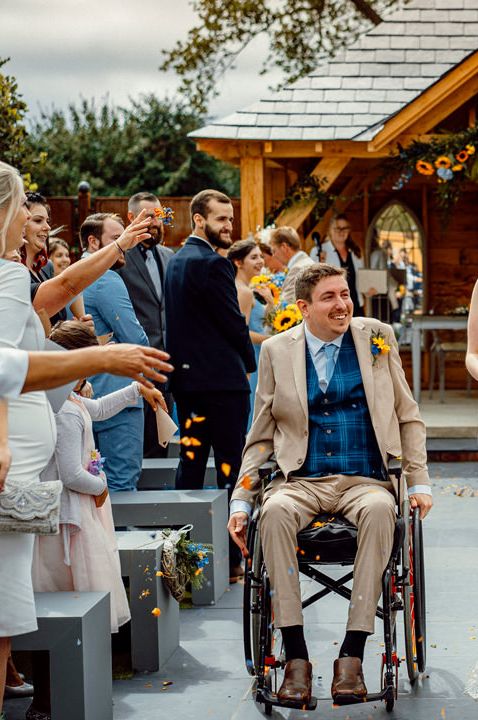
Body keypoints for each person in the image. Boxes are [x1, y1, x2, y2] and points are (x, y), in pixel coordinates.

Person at [0, 160, 172, 717]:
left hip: (27, 463)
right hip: (16, 466)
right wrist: (101, 356)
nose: (30, 215)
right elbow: (3, 366)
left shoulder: (13, 274)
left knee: (10, 604)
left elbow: (59, 290)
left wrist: (118, 243)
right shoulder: (3, 277)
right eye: (25, 204)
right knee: (5, 606)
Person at [228, 263, 432, 706]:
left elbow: (407, 414)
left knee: (382, 511)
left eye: (344, 294)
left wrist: (418, 481)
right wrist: (241, 501)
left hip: (365, 478)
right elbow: (259, 435)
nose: (342, 305)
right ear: (303, 307)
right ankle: (296, 657)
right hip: (301, 479)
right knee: (275, 512)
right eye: (329, 298)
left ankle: (352, 654)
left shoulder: (376, 337)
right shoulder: (278, 351)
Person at [29, 320, 167, 719]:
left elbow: (100, 408)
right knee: (66, 598)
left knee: (67, 600)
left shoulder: (65, 400)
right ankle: (48, 697)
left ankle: (59, 691)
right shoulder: (64, 413)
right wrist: (101, 486)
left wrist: (137, 390)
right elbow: (72, 472)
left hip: (74, 515)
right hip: (70, 520)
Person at [164, 189, 256, 581]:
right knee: (231, 471)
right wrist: (249, 366)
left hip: (187, 384)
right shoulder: (214, 266)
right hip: (221, 384)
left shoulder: (176, 262)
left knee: (189, 468)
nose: (229, 226)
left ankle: (178, 564)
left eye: (231, 219)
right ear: (199, 220)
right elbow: (234, 323)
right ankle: (234, 563)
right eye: (221, 219)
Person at [80, 213, 149, 492]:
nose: (125, 245)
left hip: (86, 391)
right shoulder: (105, 277)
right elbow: (135, 337)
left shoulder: (75, 273)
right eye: (116, 238)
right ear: (94, 242)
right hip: (117, 394)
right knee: (121, 482)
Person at [118, 192, 174, 458]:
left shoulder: (168, 255)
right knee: (142, 440)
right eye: (149, 216)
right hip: (137, 362)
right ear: (131, 218)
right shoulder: (120, 258)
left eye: (159, 216)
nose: (156, 223)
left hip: (167, 361)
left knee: (165, 437)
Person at [228, 239, 274, 430]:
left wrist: (270, 302)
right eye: (254, 257)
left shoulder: (248, 289)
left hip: (257, 353)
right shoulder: (243, 292)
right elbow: (241, 333)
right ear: (239, 262)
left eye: (261, 256)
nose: (260, 261)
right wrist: (272, 340)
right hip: (251, 356)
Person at [321, 214, 365, 316]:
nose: (341, 232)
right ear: (330, 230)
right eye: (337, 228)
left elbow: (361, 278)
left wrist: (368, 289)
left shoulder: (355, 252)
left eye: (345, 228)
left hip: (356, 304)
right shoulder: (320, 251)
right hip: (334, 307)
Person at [269, 226, 314, 303]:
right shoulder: (305, 262)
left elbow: (286, 303)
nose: (274, 256)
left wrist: (269, 299)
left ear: (284, 247)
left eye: (274, 251)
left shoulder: (297, 269)